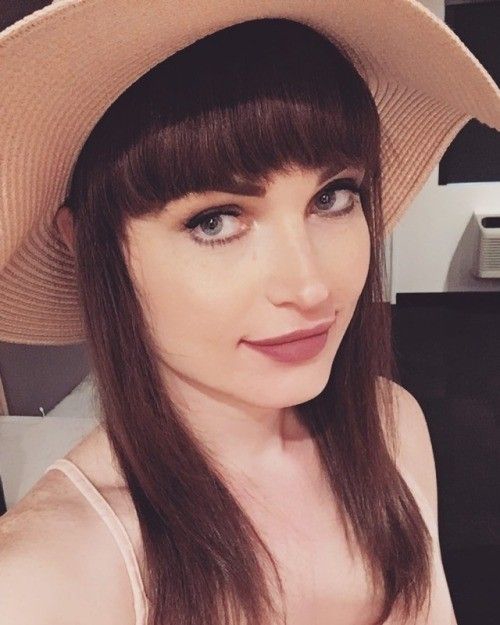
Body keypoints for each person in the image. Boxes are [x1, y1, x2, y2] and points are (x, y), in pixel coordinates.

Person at [0, 1, 499, 624]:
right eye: (215, 221)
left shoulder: (392, 423)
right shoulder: (47, 579)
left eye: (333, 196)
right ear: (90, 247)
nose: (309, 286)